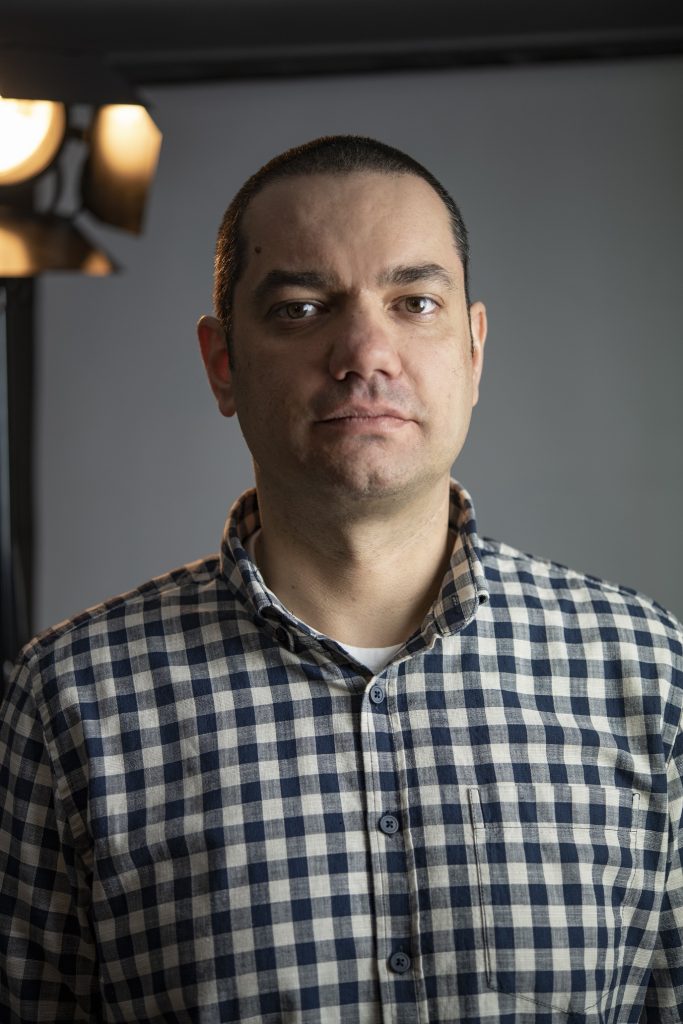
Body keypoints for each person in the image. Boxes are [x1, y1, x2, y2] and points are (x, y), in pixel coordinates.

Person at [0, 134, 681, 1024]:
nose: (365, 352)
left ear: (473, 351)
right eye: (301, 309)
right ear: (222, 364)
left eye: (414, 303)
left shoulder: (649, 671)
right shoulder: (68, 700)